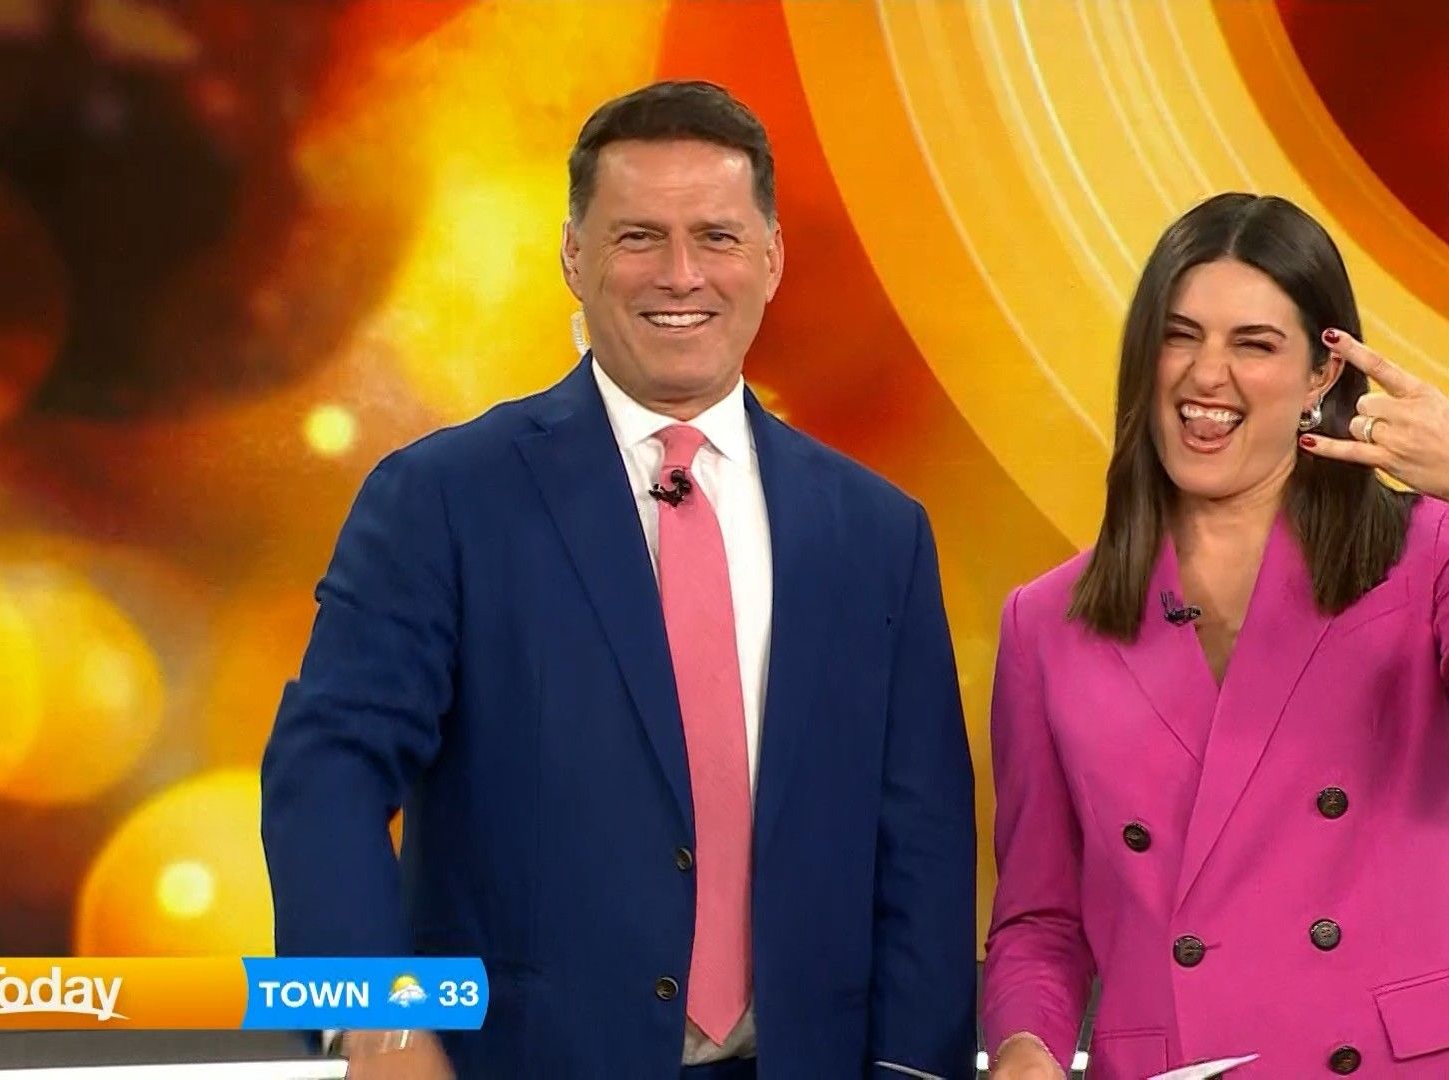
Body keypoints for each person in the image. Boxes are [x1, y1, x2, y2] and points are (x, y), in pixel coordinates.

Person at [261, 80, 977, 1080]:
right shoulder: (441, 498)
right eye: (639, 237)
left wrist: (914, 1068)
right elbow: (326, 773)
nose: (681, 275)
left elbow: (924, 843)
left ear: (772, 257)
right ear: (573, 257)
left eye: (717, 238)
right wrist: (376, 1023)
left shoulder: (877, 532)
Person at [980, 193, 1449, 1080]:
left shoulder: (1425, 552)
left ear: (1322, 373)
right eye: (1180, 335)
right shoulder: (1046, 624)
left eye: (1255, 344)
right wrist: (1025, 1047)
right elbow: (1041, 921)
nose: (1207, 375)